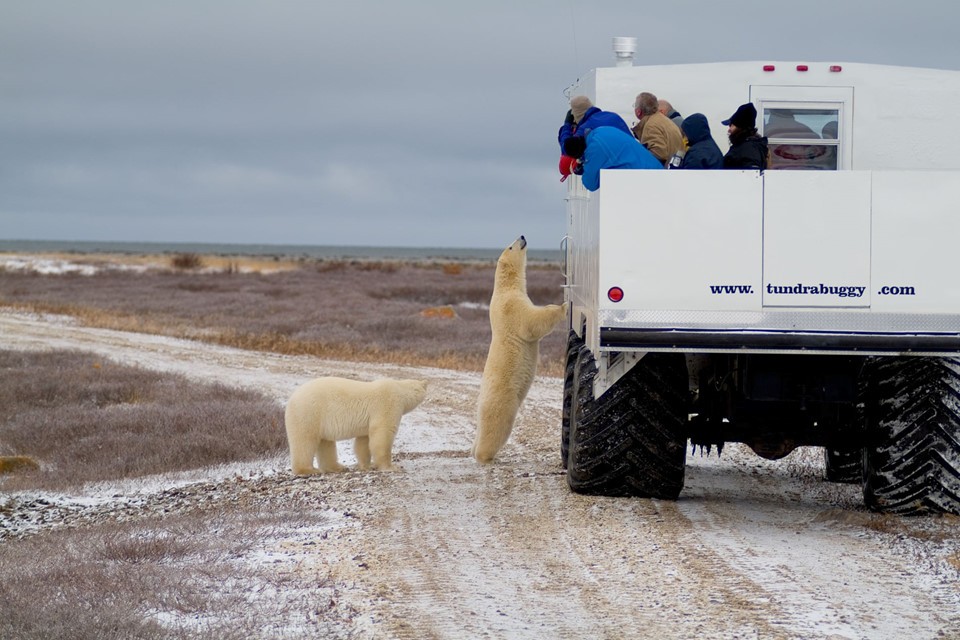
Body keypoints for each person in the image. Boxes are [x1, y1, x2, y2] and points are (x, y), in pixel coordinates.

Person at [562, 126, 662, 192]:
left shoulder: (594, 150)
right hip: (655, 168)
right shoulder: (600, 130)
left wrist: (583, 164)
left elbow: (590, 184)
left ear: (578, 153)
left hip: (649, 181)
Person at [557, 95, 631, 153]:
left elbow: (568, 148)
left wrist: (567, 125)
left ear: (576, 114)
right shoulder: (613, 116)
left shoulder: (585, 128)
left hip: (615, 166)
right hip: (635, 160)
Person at [631, 92, 684, 166]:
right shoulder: (664, 120)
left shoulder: (651, 126)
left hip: (662, 174)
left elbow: (658, 154)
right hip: (675, 171)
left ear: (638, 112)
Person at [721, 102, 769, 170]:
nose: (729, 130)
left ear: (740, 127)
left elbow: (752, 175)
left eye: (731, 125)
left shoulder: (749, 148)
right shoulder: (744, 146)